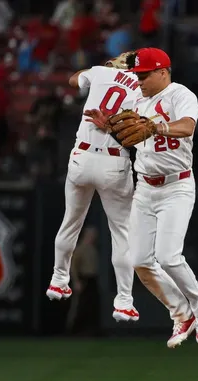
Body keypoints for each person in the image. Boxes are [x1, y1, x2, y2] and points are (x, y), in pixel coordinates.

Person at [84, 47, 198, 348]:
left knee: (169, 256)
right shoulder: (136, 99)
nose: (140, 81)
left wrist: (156, 126)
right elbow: (131, 136)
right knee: (140, 261)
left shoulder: (181, 95)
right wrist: (110, 128)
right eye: (137, 75)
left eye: (144, 75)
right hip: (144, 187)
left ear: (162, 72)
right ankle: (182, 313)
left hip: (177, 186)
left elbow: (187, 127)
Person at [46, 51, 142, 322]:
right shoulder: (143, 89)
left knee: (70, 223)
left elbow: (73, 80)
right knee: (122, 234)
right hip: (115, 162)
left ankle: (58, 279)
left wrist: (99, 70)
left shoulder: (101, 72)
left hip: (83, 156)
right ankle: (123, 301)